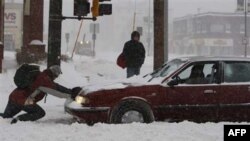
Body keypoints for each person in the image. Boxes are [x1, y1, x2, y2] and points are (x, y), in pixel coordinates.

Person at [0, 65, 82, 124]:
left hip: (14, 96)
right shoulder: (44, 80)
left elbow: (54, 86)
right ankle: (18, 120)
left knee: (5, 117)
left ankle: (12, 120)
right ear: (54, 74)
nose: (56, 78)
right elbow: (56, 91)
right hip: (24, 100)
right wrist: (71, 93)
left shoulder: (41, 76)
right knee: (40, 113)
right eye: (56, 76)